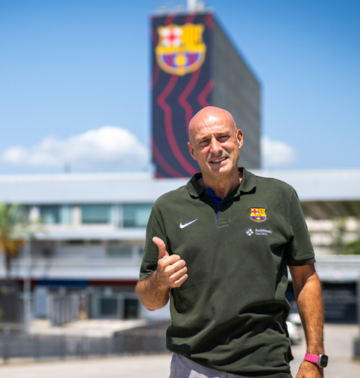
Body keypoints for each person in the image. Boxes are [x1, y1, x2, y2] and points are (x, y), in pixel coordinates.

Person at [136, 106, 325, 378]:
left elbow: (306, 279)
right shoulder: (167, 208)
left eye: (222, 137)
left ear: (239, 138)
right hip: (193, 367)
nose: (215, 148)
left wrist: (314, 357)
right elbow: (150, 300)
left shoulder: (280, 197)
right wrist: (159, 281)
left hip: (267, 367)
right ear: (192, 151)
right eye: (204, 142)